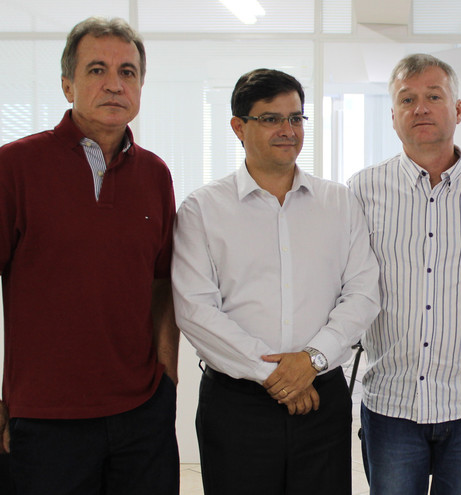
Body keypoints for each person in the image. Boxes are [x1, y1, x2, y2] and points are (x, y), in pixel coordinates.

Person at [172, 68, 379, 495]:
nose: (288, 130)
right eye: (271, 118)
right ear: (238, 127)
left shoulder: (339, 202)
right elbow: (195, 310)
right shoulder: (202, 210)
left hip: (321, 399)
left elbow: (362, 293)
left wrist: (311, 361)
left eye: (296, 118)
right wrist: (276, 375)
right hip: (237, 404)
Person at [0, 16, 179, 494]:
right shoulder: (14, 166)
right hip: (45, 419)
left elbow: (163, 282)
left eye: (128, 72)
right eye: (97, 69)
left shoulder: (156, 175)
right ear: (67, 85)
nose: (115, 84)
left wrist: (167, 378)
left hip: (142, 415)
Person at [347, 53, 461, 494]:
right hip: (391, 404)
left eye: (434, 96)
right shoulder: (362, 191)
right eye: (407, 99)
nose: (420, 108)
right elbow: (349, 282)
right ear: (393, 116)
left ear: (458, 110)